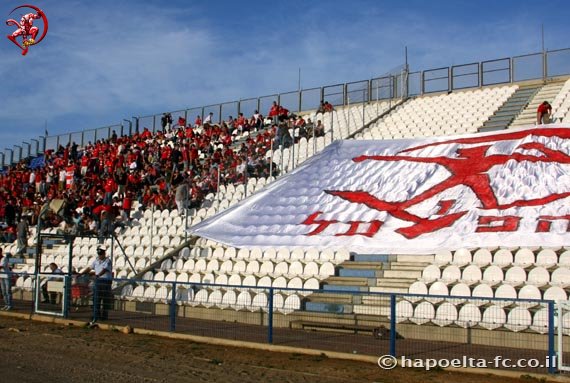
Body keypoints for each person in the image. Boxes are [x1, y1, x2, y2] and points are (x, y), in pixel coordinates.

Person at [82, 247, 112, 322]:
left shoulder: (107, 261)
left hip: (105, 281)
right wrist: (81, 273)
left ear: (104, 254)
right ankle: (96, 315)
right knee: (96, 299)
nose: (100, 256)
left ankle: (104, 316)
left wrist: (97, 275)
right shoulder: (96, 261)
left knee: (105, 300)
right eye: (99, 254)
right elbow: (90, 268)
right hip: (98, 281)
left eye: (101, 254)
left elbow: (104, 269)